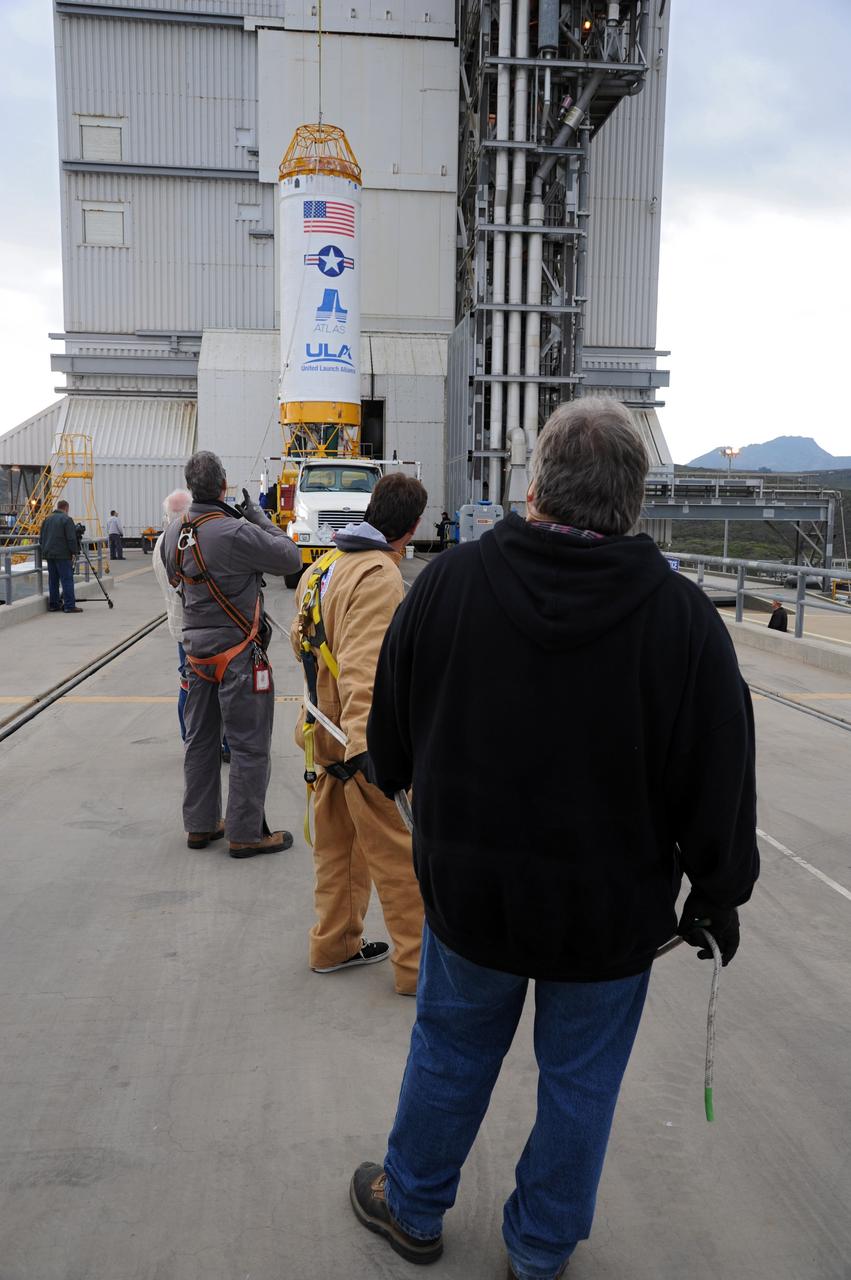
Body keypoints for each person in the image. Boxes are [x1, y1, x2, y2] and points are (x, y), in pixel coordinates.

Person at [349, 397, 760, 1279]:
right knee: (580, 1081)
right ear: (634, 500)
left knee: (451, 1047)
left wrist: (406, 776)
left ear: (534, 484)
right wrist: (717, 893)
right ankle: (537, 1249)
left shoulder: (449, 585)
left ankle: (412, 1203)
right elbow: (718, 778)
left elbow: (388, 739)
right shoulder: (683, 622)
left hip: (471, 895)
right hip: (609, 915)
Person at [290, 473, 428, 996]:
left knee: (337, 854)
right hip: (360, 741)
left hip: (319, 735)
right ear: (412, 527)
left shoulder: (322, 567)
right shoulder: (378, 576)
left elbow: (307, 651)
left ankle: (334, 946)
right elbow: (365, 669)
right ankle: (418, 970)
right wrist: (369, 746)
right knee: (400, 862)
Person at [162, 450, 302, 857]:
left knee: (200, 742)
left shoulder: (175, 533)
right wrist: (257, 516)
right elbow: (290, 558)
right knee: (248, 744)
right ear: (223, 486)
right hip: (239, 655)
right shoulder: (236, 532)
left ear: (191, 487)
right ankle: (245, 832)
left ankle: (200, 825)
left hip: (196, 656)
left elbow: (175, 578)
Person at [39, 500, 83, 614]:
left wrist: (45, 551)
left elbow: (41, 538)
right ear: (66, 508)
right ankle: (69, 606)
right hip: (63, 555)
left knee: (53, 580)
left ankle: (54, 605)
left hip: (49, 554)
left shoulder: (47, 519)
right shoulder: (66, 520)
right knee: (67, 580)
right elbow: (71, 538)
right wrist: (74, 552)